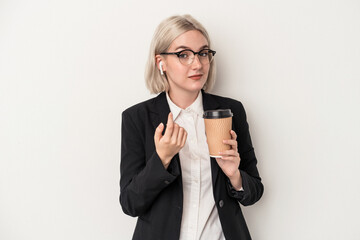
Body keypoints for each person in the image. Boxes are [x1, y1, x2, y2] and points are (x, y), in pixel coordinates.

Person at [119, 14, 264, 240]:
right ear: (161, 62)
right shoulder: (137, 118)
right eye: (183, 55)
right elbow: (130, 203)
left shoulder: (230, 111)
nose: (197, 64)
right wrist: (162, 159)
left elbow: (254, 192)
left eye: (203, 53)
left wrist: (235, 175)